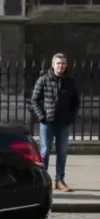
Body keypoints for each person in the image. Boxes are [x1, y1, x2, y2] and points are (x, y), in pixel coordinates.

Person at [31, 53, 81, 192]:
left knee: (62, 152)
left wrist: (71, 117)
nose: (61, 66)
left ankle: (60, 180)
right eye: (58, 63)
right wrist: (42, 116)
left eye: (63, 63)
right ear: (53, 65)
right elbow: (34, 100)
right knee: (45, 151)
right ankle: (44, 180)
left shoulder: (70, 81)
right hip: (47, 122)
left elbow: (76, 102)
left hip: (63, 123)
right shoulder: (43, 80)